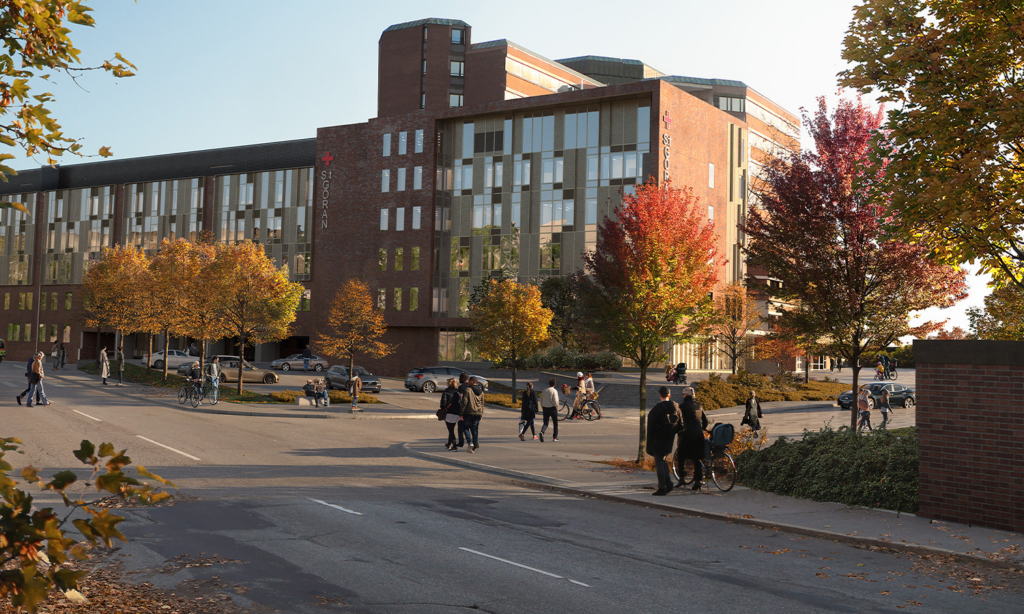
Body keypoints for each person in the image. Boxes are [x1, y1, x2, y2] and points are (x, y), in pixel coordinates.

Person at [646, 386, 682, 496]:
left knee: (659, 462)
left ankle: (662, 487)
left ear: (660, 395)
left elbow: (651, 426)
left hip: (658, 438)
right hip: (669, 438)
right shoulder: (676, 407)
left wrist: (653, 437)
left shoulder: (657, 408)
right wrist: (672, 431)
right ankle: (669, 483)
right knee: (663, 459)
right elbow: (681, 425)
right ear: (669, 395)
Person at [676, 388, 709, 490]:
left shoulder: (682, 406)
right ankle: (697, 482)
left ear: (685, 395)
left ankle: (682, 478)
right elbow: (705, 421)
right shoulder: (699, 405)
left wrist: (679, 431)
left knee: (680, 455)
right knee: (697, 458)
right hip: (699, 435)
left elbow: (679, 421)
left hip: (687, 434)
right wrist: (701, 429)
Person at [459, 376, 485, 452]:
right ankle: (474, 446)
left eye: (469, 381)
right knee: (475, 429)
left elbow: (464, 402)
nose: (468, 383)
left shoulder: (468, 390)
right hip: (477, 412)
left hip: (468, 412)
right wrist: (481, 413)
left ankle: (470, 442)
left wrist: (461, 413)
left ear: (473, 382)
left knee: (465, 427)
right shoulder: (481, 392)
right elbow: (482, 403)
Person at [440, 378, 462, 450]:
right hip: (457, 412)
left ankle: (454, 445)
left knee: (450, 430)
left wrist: (443, 407)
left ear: (449, 384)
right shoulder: (458, 392)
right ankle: (449, 443)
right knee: (452, 428)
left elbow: (443, 404)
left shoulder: (446, 392)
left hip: (449, 412)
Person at [539, 377, 559, 442]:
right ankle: (555, 437)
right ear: (554, 384)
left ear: (549, 384)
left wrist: (542, 407)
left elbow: (541, 400)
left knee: (545, 423)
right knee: (555, 423)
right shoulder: (554, 391)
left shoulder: (544, 390)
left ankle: (542, 432)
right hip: (552, 408)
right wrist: (557, 407)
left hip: (545, 408)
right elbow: (555, 401)